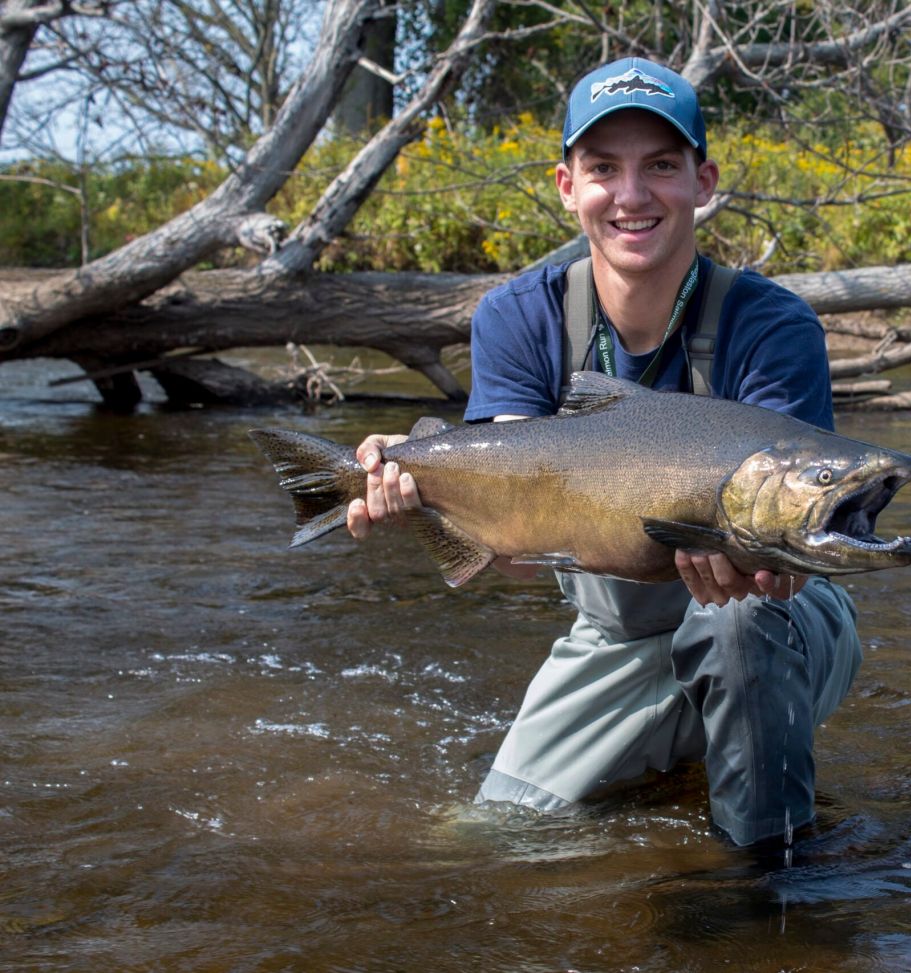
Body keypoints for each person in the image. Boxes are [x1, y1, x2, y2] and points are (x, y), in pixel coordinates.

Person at [346, 57, 862, 848]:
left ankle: (767, 889)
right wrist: (414, 479)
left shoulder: (774, 325)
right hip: (613, 633)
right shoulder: (518, 317)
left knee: (738, 627)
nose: (631, 195)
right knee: (489, 837)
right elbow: (521, 551)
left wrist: (763, 565)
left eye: (660, 165)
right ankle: (689, 748)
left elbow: (790, 557)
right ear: (566, 185)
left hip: (776, 612)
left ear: (703, 180)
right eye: (603, 169)